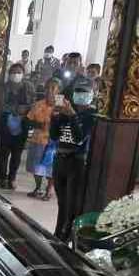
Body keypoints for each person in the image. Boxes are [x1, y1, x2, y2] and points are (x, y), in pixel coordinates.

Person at [51, 79, 96, 242]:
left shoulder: (91, 115)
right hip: (60, 159)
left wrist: (73, 116)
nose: (80, 96)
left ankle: (67, 237)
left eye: (84, 93)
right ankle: (58, 235)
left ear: (92, 95)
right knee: (62, 203)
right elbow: (54, 136)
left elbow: (79, 138)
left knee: (72, 205)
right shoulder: (66, 112)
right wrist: (55, 117)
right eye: (78, 92)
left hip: (76, 162)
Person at [0, 63, 32, 191]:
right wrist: (12, 109)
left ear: (23, 74)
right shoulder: (4, 87)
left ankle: (12, 178)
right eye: (13, 72)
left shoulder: (28, 87)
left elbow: (33, 104)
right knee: (4, 152)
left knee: (17, 153)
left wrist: (25, 110)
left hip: (22, 123)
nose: (16, 75)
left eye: (18, 72)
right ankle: (2, 178)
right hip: (5, 122)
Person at [25, 78, 60, 200]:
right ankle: (38, 187)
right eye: (48, 87)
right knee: (36, 167)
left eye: (53, 88)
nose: (50, 91)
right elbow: (28, 121)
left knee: (50, 168)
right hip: (38, 140)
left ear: (58, 90)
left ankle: (49, 190)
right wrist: (39, 125)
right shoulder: (38, 104)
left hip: (53, 143)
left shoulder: (61, 106)